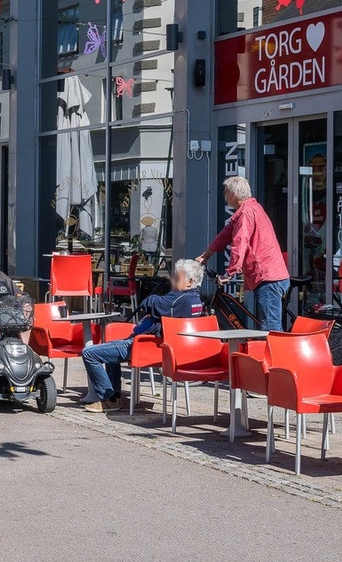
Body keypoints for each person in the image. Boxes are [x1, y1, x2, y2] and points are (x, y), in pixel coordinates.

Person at [79, 258, 206, 411]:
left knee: (89, 353)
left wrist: (152, 301)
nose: (173, 282)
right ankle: (115, 396)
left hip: (145, 345)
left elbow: (153, 303)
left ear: (190, 281)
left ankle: (109, 398)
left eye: (177, 278)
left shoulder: (180, 299)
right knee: (108, 352)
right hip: (161, 347)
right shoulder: (196, 301)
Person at [197, 175, 290, 331]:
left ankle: (278, 355)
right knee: (268, 323)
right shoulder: (251, 209)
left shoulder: (246, 213)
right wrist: (206, 255)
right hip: (270, 275)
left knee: (271, 328)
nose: (224, 196)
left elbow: (240, 243)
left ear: (233, 194)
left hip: (268, 277)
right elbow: (225, 235)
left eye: (226, 192)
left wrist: (230, 273)